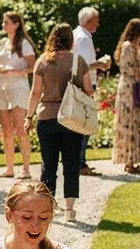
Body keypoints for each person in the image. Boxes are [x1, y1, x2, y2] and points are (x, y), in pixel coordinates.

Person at [25, 23, 92, 223]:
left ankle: (48, 208)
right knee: (71, 162)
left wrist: (28, 117)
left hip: (47, 117)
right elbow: (89, 90)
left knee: (49, 165)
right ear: (71, 40)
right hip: (71, 119)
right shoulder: (78, 61)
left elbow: (36, 92)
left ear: (52, 38)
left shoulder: (43, 61)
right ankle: (70, 210)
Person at [0, 11, 35, 179]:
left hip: (18, 86)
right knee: (6, 130)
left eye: (6, 22)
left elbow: (32, 67)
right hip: (1, 85)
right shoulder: (2, 42)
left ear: (16, 24)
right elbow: (2, 64)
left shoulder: (24, 43)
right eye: (3, 22)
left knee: (20, 129)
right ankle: (9, 168)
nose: (3, 25)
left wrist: (13, 71)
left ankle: (26, 169)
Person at [72, 7, 111, 176]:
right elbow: (85, 65)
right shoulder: (84, 39)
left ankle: (79, 162)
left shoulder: (76, 35)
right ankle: (80, 164)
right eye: (96, 20)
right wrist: (101, 64)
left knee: (80, 124)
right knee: (85, 124)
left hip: (79, 83)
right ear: (88, 22)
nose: (98, 23)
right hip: (85, 84)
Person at [112, 17, 140, 174]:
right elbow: (126, 69)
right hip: (129, 89)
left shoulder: (136, 47)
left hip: (135, 87)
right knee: (129, 123)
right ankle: (129, 161)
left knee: (137, 123)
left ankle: (134, 160)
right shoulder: (128, 46)